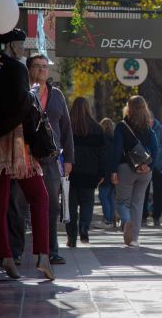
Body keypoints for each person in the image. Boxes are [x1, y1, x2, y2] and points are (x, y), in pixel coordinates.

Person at [0, 28, 54, 280]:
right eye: (20, 44)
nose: (23, 49)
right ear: (12, 46)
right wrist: (32, 96)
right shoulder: (18, 69)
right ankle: (43, 255)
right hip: (18, 142)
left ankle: (4, 255)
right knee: (40, 196)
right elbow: (22, 105)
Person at [8, 53, 74, 265]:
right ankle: (16, 251)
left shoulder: (57, 96)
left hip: (50, 159)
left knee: (52, 206)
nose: (42, 70)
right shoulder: (21, 92)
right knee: (17, 205)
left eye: (45, 66)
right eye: (37, 66)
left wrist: (69, 158)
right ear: (28, 69)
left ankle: (51, 250)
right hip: (24, 157)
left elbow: (66, 129)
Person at [111, 96, 158, 247]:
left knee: (122, 202)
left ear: (128, 108)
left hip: (126, 169)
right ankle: (134, 239)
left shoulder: (121, 126)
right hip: (145, 172)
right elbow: (156, 149)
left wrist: (113, 170)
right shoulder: (148, 127)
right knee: (137, 204)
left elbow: (116, 150)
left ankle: (126, 222)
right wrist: (150, 166)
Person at [66, 97, 105, 246]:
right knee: (88, 203)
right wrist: (102, 173)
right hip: (90, 173)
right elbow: (102, 153)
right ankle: (84, 227)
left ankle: (71, 237)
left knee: (70, 206)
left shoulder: (68, 127)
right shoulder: (97, 129)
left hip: (71, 172)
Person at [142, 116, 162, 227]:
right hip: (144, 166)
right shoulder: (142, 128)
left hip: (157, 166)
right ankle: (143, 216)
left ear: (152, 119)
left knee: (158, 192)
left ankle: (156, 217)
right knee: (143, 192)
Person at [96, 118, 116, 228]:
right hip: (113, 171)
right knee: (110, 197)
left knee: (103, 196)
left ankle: (107, 219)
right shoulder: (114, 140)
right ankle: (111, 219)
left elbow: (102, 157)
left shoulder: (102, 140)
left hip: (105, 171)